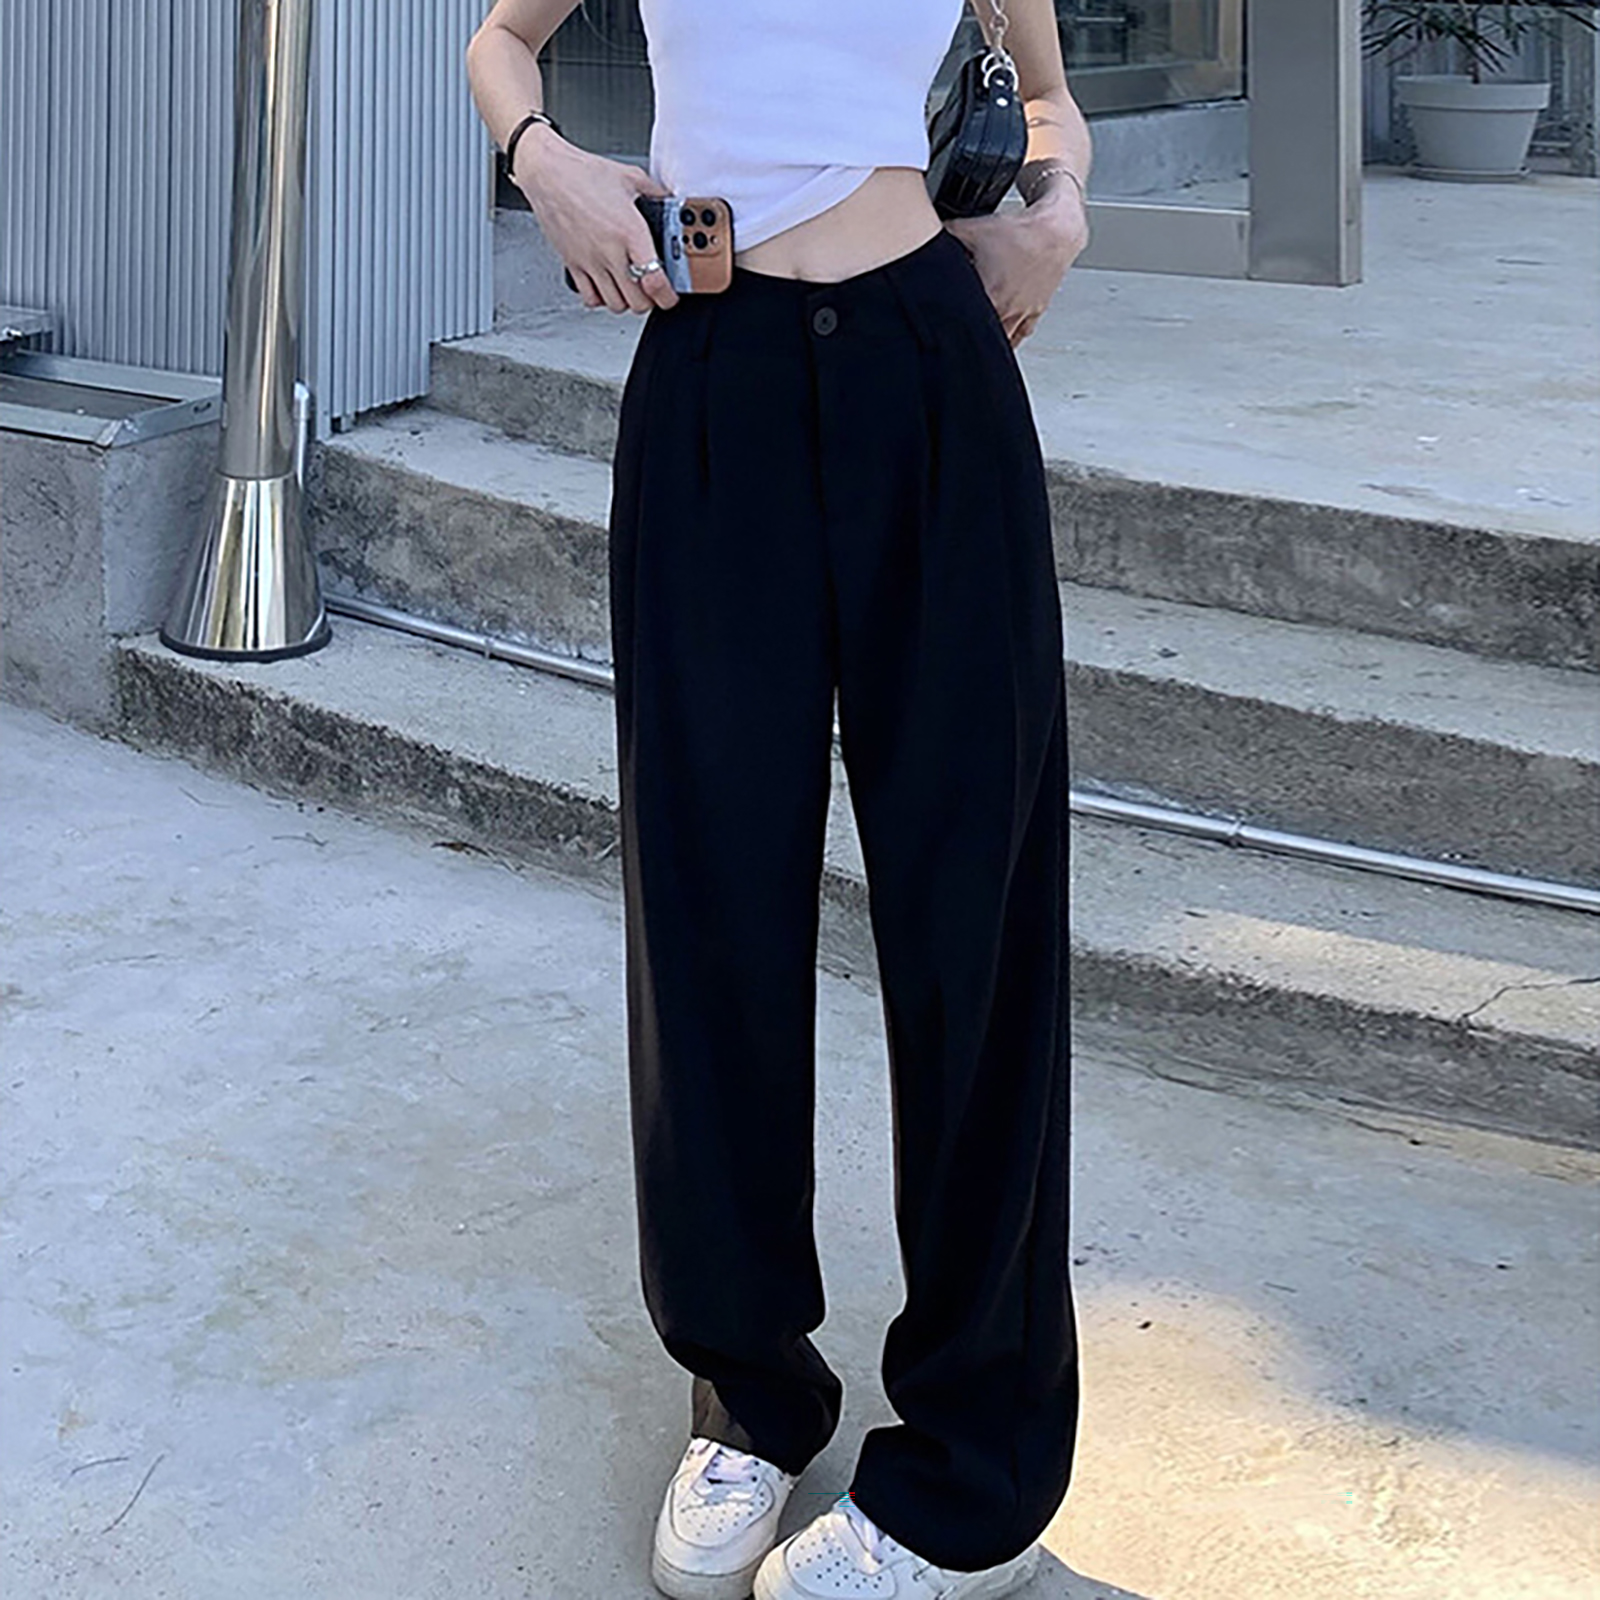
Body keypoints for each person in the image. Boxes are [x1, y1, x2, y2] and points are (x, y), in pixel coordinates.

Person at [467, 3, 1091, 1596]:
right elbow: (500, 41)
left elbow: (1048, 94)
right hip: (713, 369)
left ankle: (975, 1471)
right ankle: (748, 1389)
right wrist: (545, 164)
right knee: (709, 900)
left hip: (929, 369)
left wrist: (1057, 213)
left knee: (976, 913)